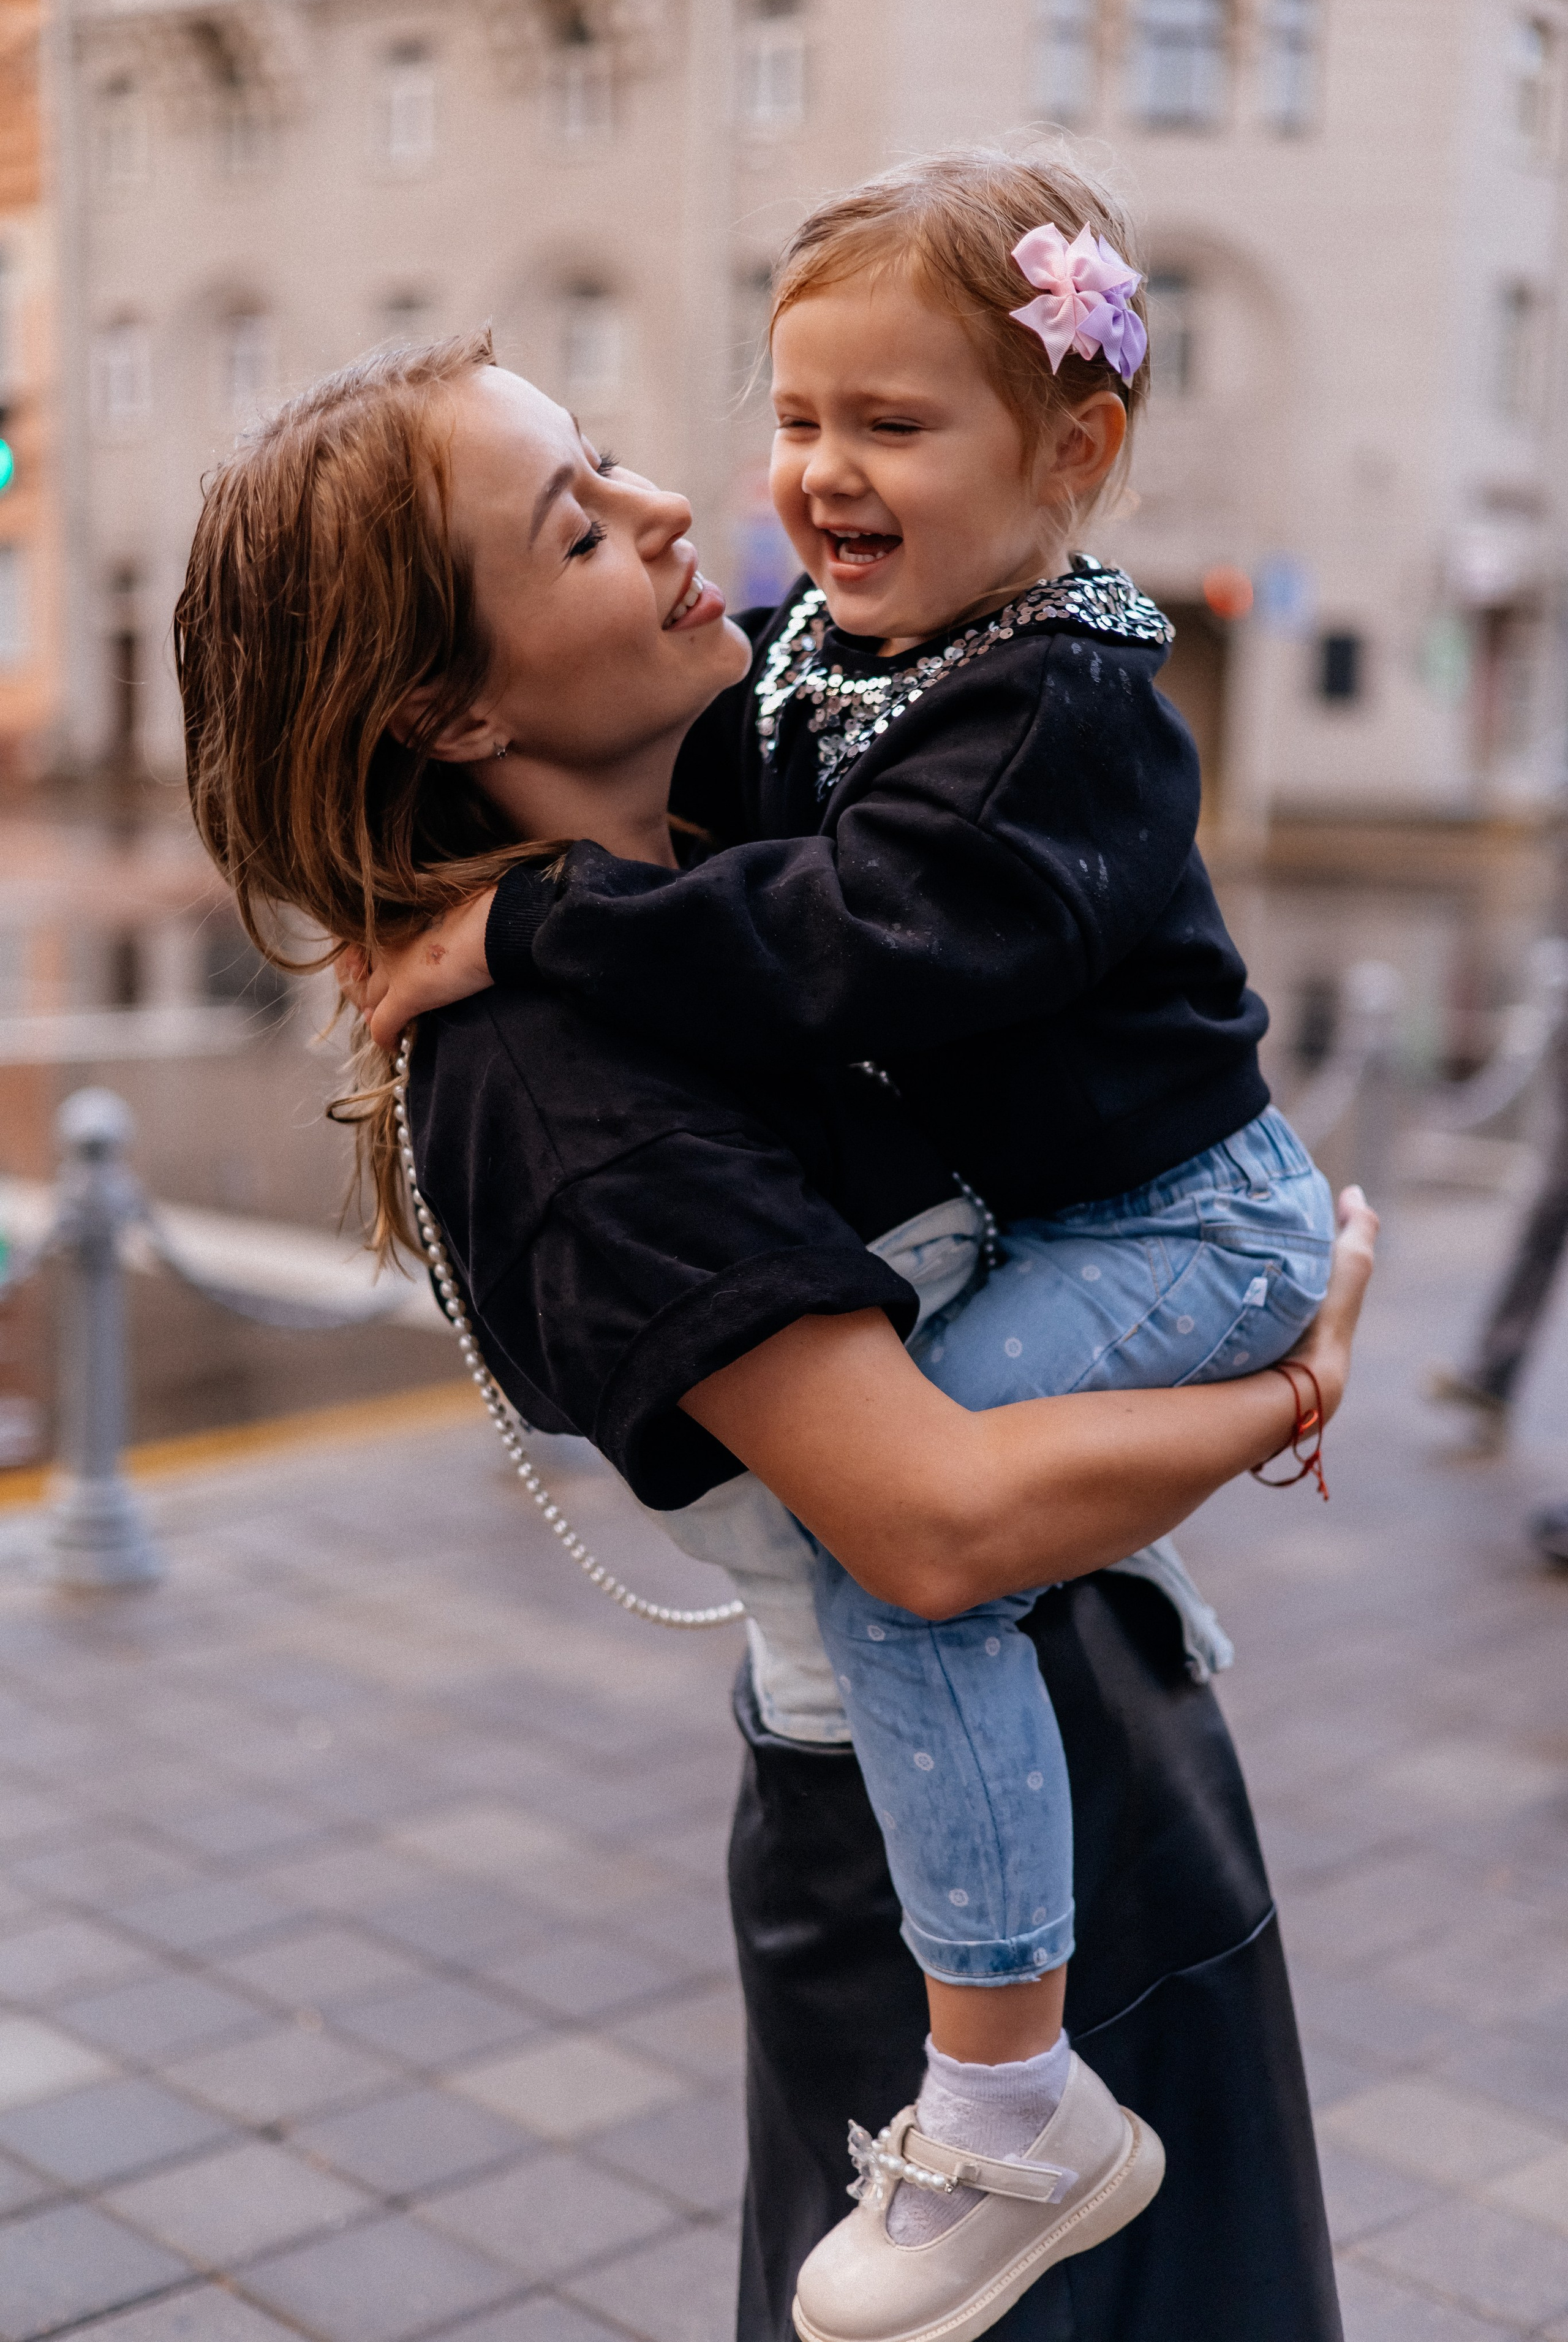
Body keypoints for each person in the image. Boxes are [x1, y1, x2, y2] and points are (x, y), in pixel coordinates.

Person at [174, 327, 1374, 2342]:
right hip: (947, 1904)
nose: (672, 514)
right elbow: (927, 1533)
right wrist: (1290, 1381)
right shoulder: (553, 1076)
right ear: (450, 703)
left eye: (621, 460)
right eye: (575, 529)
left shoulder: (725, 872)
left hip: (1077, 1777)